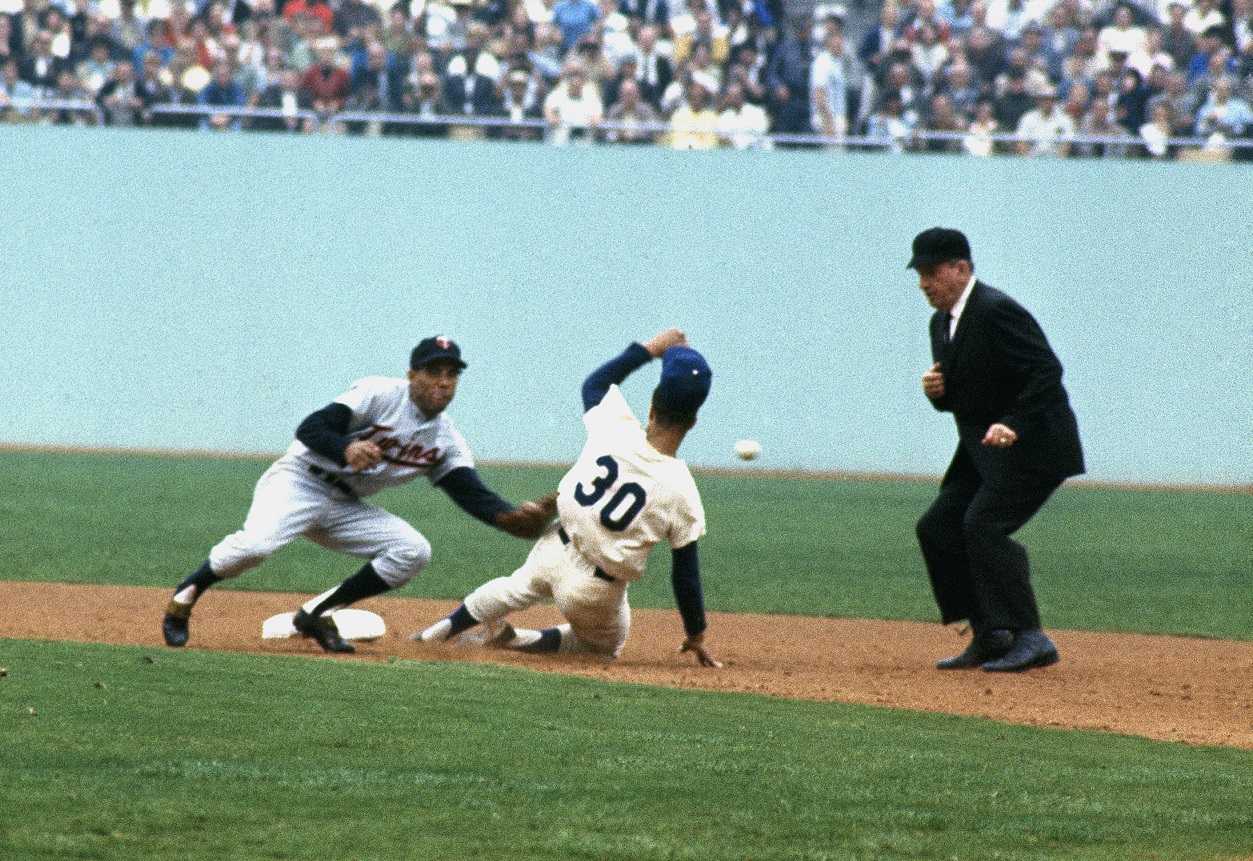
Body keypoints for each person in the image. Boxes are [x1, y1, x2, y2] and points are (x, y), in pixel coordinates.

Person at [161, 336, 557, 653]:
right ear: (412, 374)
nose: (443, 380)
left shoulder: (446, 440)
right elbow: (311, 428)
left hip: (344, 505)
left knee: (412, 551)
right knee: (255, 547)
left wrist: (508, 518)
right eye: (433, 370)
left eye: (452, 374)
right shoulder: (378, 393)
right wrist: (345, 448)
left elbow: (470, 493)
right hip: (300, 480)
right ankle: (188, 592)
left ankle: (318, 612)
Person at [415, 328, 720, 669]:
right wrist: (696, 633)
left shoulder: (615, 424)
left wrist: (650, 349)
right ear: (692, 423)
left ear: (650, 409)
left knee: (513, 588)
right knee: (604, 647)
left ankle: (432, 634)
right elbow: (685, 575)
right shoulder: (682, 491)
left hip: (553, 546)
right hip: (594, 590)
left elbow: (596, 383)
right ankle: (515, 640)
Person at [909, 228, 1084, 673]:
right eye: (920, 274)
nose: (924, 283)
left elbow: (1046, 371)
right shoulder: (942, 322)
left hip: (1035, 445)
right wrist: (938, 393)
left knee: (984, 526)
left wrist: (1014, 423)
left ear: (961, 269)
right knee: (937, 527)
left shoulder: (995, 309)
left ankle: (1030, 635)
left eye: (932, 272)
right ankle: (990, 633)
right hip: (984, 449)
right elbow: (967, 393)